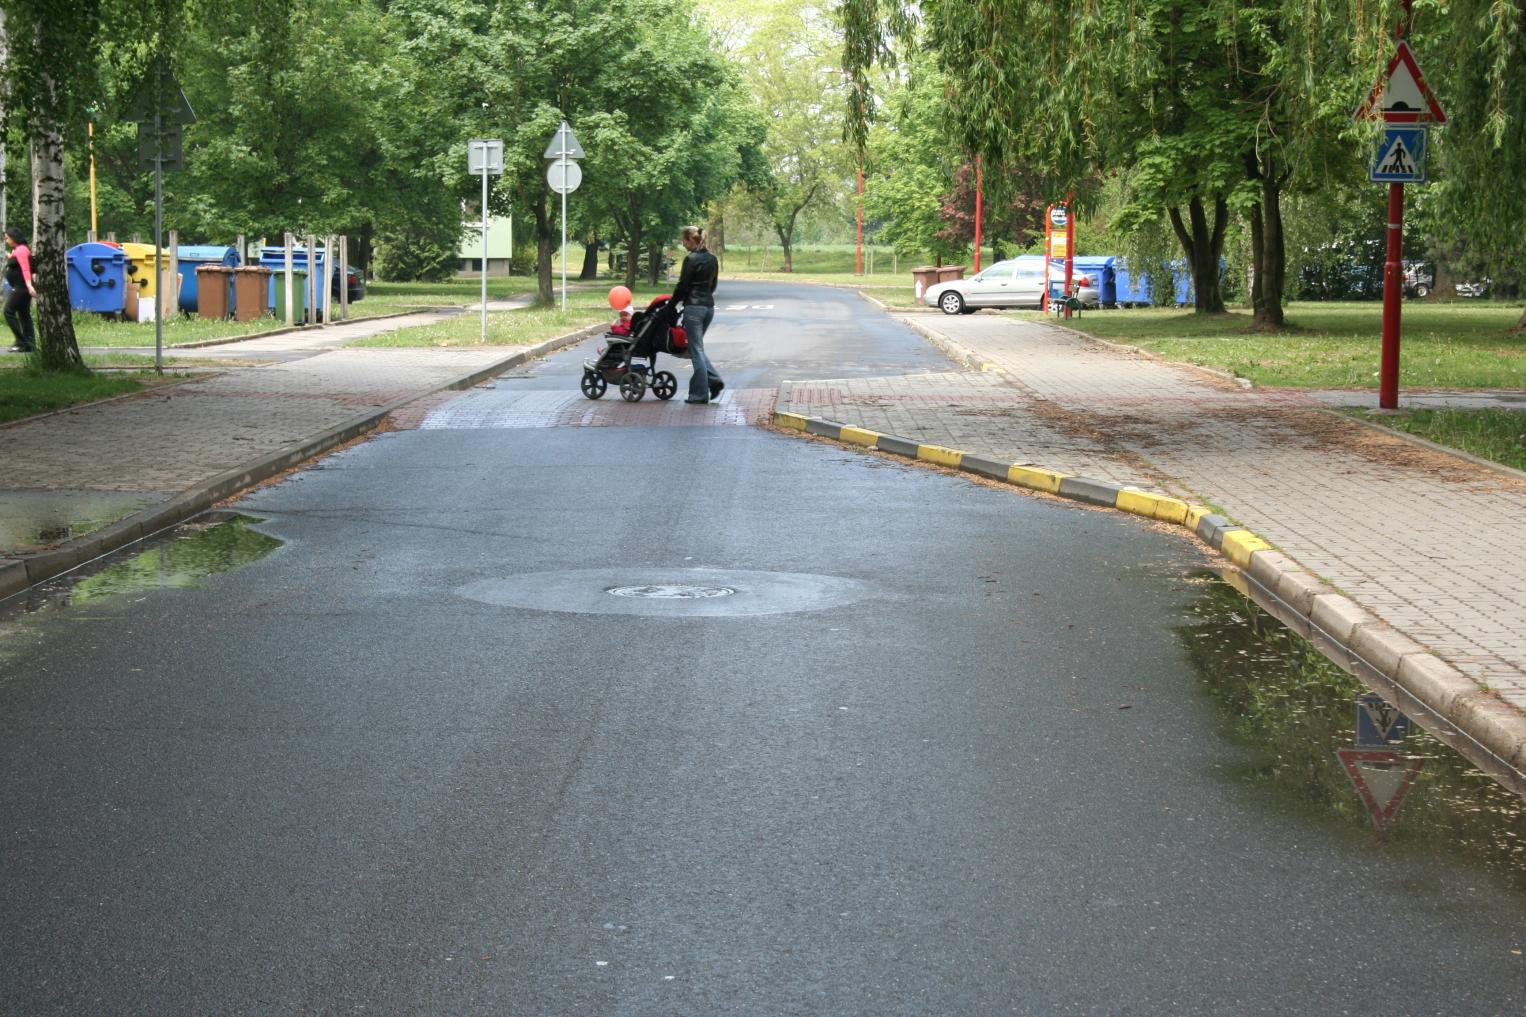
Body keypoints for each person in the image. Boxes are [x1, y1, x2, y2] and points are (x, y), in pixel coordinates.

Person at [671, 225, 722, 404]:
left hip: (694, 308)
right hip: (709, 307)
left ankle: (699, 394)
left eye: (684, 241)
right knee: (696, 348)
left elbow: (683, 286)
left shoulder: (691, 259)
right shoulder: (712, 259)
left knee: (695, 349)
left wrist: (671, 305)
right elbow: (713, 285)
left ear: (690, 240)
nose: (682, 244)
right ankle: (713, 380)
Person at [4, 227, 37, 354]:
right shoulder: (18, 250)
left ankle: (21, 341)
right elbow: (15, 262)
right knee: (24, 314)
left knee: (8, 311)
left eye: (7, 238)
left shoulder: (22, 250)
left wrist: (29, 286)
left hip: (21, 287)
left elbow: (25, 269)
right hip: (20, 287)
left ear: (13, 237)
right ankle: (29, 344)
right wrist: (9, 256)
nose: (6, 240)